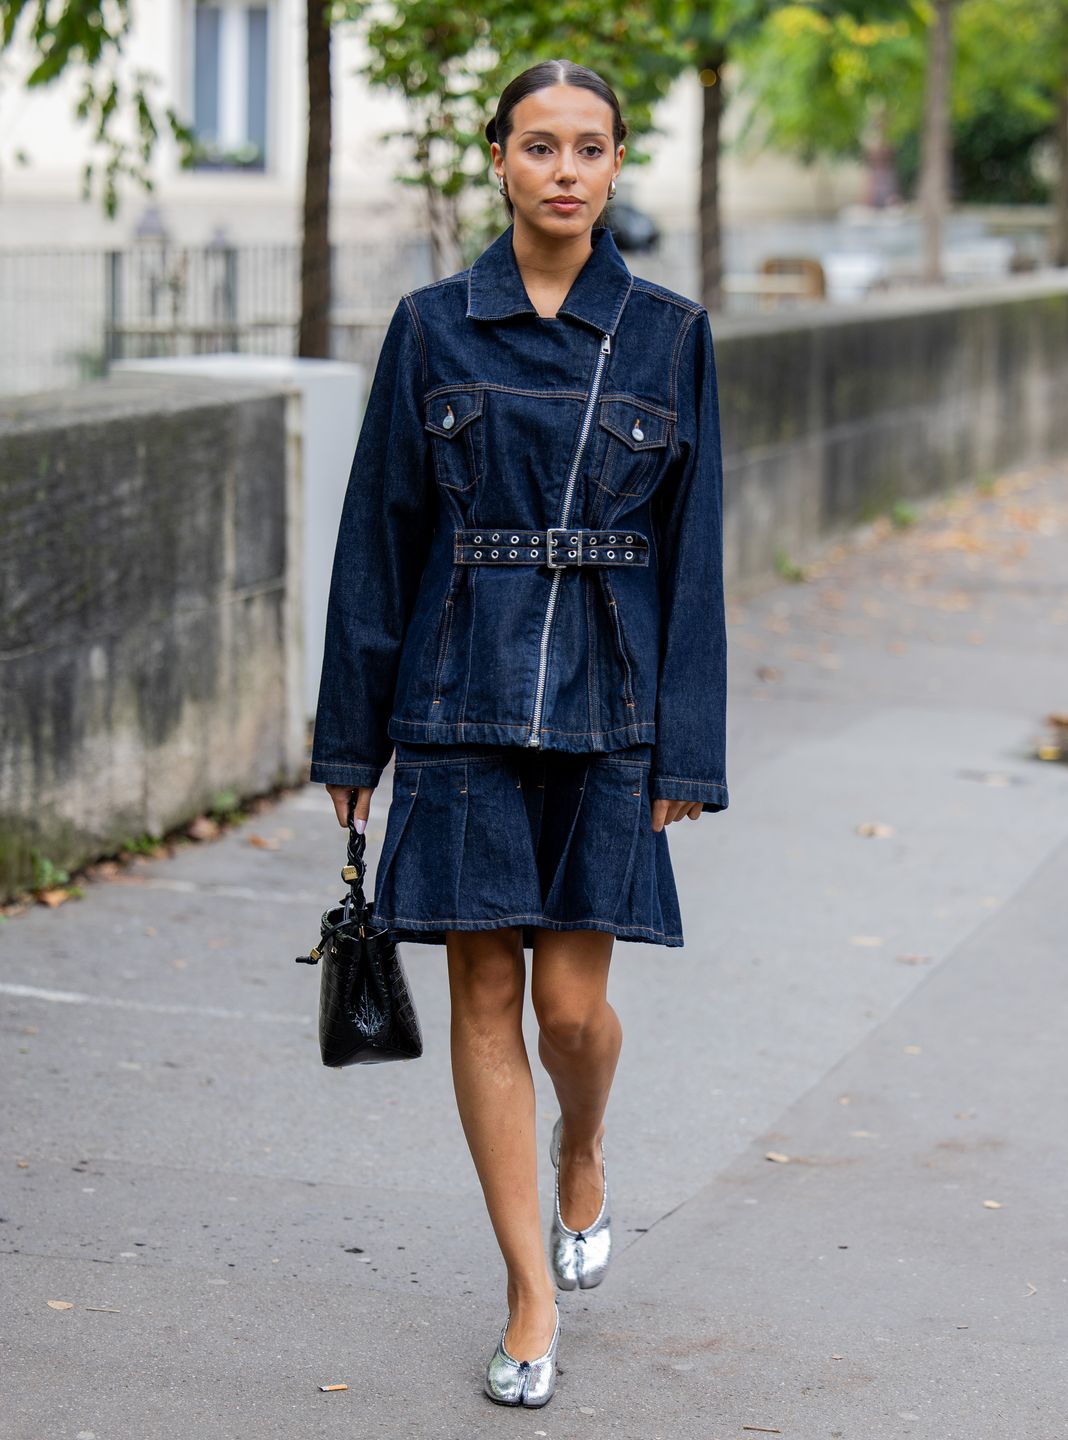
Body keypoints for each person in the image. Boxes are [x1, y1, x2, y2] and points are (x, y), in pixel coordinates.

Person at [309, 58, 728, 1409]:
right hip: (454, 695)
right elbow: (379, 534)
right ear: (498, 159)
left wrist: (688, 752)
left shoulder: (670, 334)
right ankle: (527, 1294)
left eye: (587, 147)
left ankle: (584, 1149)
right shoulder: (433, 328)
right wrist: (347, 744)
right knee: (487, 996)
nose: (562, 168)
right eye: (538, 144)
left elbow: (694, 556)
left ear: (614, 168)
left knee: (571, 1011)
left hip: (610, 707)